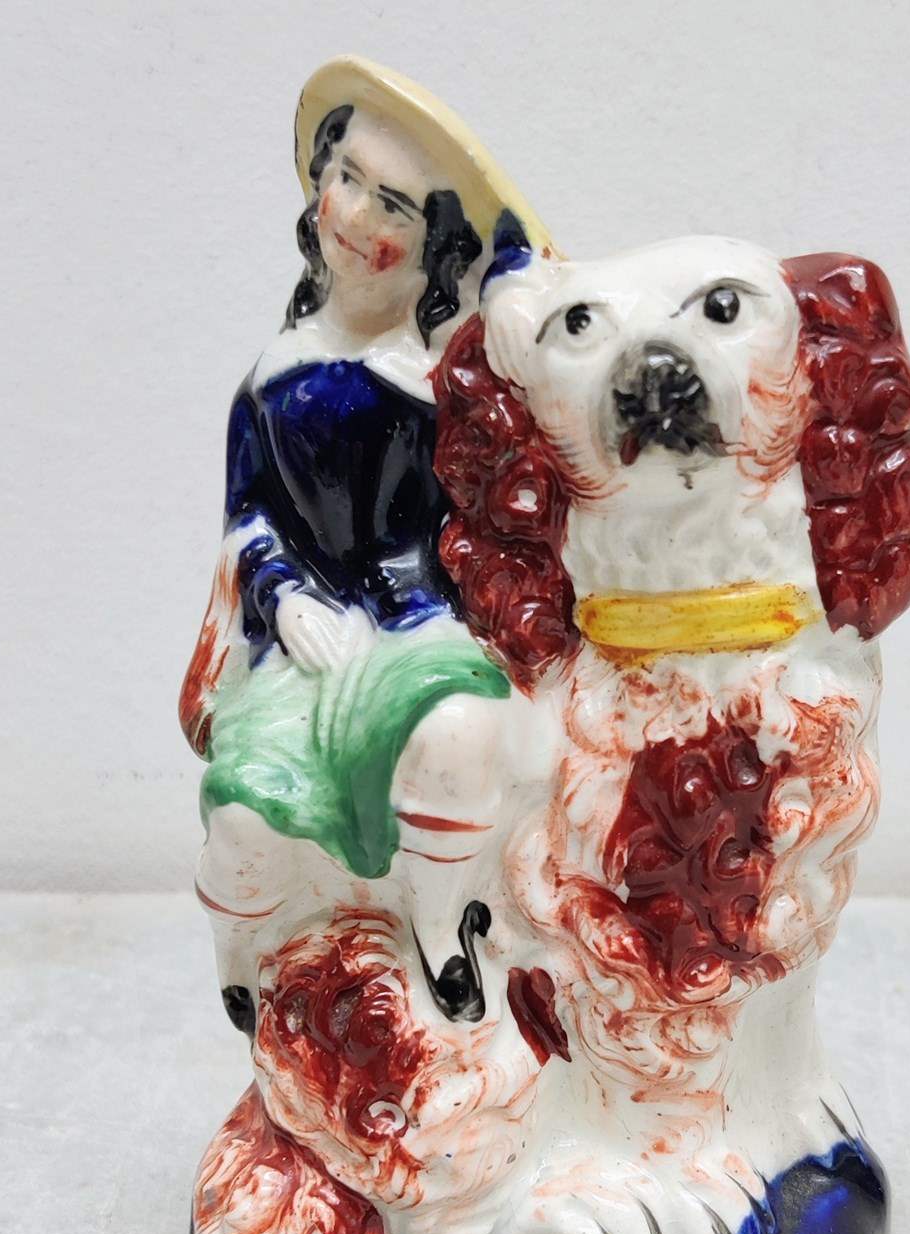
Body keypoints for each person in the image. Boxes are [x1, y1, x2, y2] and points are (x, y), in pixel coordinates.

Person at [178, 58, 552, 1026]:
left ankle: (440, 927)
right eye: (345, 178)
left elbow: (536, 268)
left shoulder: (447, 372)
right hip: (306, 639)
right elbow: (248, 517)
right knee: (244, 808)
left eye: (393, 205)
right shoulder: (272, 380)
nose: (353, 214)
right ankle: (248, 963)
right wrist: (285, 601)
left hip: (424, 620)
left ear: (436, 245)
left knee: (458, 734)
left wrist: (512, 283)